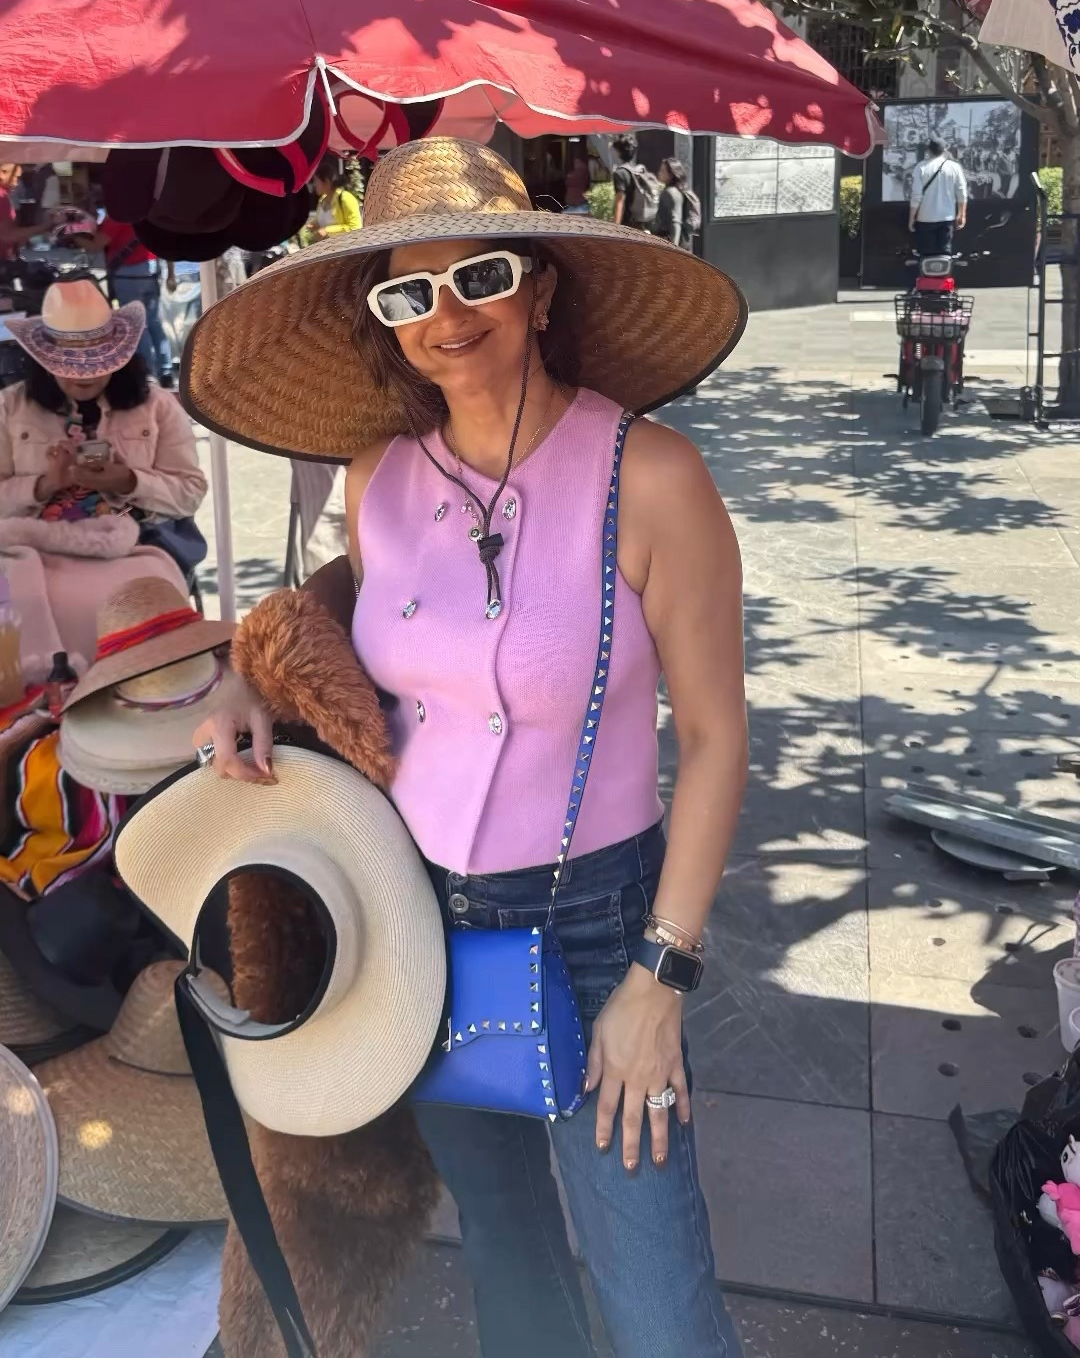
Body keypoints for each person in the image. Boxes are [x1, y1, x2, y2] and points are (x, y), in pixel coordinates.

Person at [193, 136, 749, 1358]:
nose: (445, 318)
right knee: (506, 1246)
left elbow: (715, 740)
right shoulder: (378, 478)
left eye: (478, 278)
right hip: (423, 928)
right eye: (408, 293)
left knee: (655, 1298)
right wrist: (250, 669)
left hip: (606, 929)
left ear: (540, 288)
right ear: (385, 325)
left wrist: (663, 979)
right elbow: (358, 599)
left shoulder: (650, 479)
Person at [0, 278, 207, 669]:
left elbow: (190, 491)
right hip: (31, 545)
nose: (84, 377)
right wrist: (45, 485)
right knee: (26, 603)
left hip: (134, 541)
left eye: (98, 365)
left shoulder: (156, 407)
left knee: (136, 601)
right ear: (44, 361)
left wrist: (127, 482)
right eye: (68, 367)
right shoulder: (9, 409)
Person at [73, 214, 174, 387]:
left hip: (129, 273)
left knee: (137, 325)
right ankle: (166, 370)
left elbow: (95, 245)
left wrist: (73, 237)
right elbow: (168, 245)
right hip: (151, 272)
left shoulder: (117, 217)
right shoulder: (151, 213)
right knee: (154, 322)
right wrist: (171, 274)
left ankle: (148, 373)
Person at [909, 136, 968, 259]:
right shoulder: (954, 167)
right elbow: (962, 192)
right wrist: (961, 214)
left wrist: (912, 217)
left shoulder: (921, 167)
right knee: (944, 257)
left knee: (926, 257)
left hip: (925, 218)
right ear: (944, 150)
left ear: (928, 151)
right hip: (947, 218)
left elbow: (916, 196)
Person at [610, 133, 660, 232]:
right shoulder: (637, 170)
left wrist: (615, 228)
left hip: (628, 224)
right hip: (640, 223)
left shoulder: (620, 173)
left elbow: (620, 201)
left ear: (618, 152)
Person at [306, 156, 362, 241]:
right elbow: (321, 222)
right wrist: (314, 225)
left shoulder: (346, 198)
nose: (314, 184)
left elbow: (355, 227)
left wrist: (327, 230)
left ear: (326, 181)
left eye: (316, 180)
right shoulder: (322, 200)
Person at [654, 158, 695, 251]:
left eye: (663, 171)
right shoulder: (679, 190)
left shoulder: (670, 192)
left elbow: (676, 222)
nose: (659, 173)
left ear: (671, 174)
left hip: (670, 243)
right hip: (682, 242)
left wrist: (673, 250)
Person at [562, 151, 593, 215]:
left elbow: (571, 179)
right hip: (572, 206)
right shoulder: (574, 170)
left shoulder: (582, 170)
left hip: (579, 206)